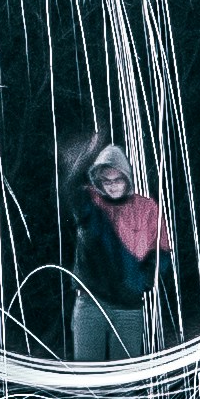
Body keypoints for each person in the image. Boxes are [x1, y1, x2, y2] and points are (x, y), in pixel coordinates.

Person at [62, 134, 168, 363]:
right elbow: (70, 186)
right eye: (106, 181)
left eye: (117, 179)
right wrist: (90, 150)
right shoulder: (90, 205)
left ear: (127, 178)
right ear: (98, 182)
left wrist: (143, 281)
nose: (112, 186)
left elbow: (162, 252)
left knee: (125, 387)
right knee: (88, 386)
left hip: (128, 309)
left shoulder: (147, 208)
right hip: (90, 306)